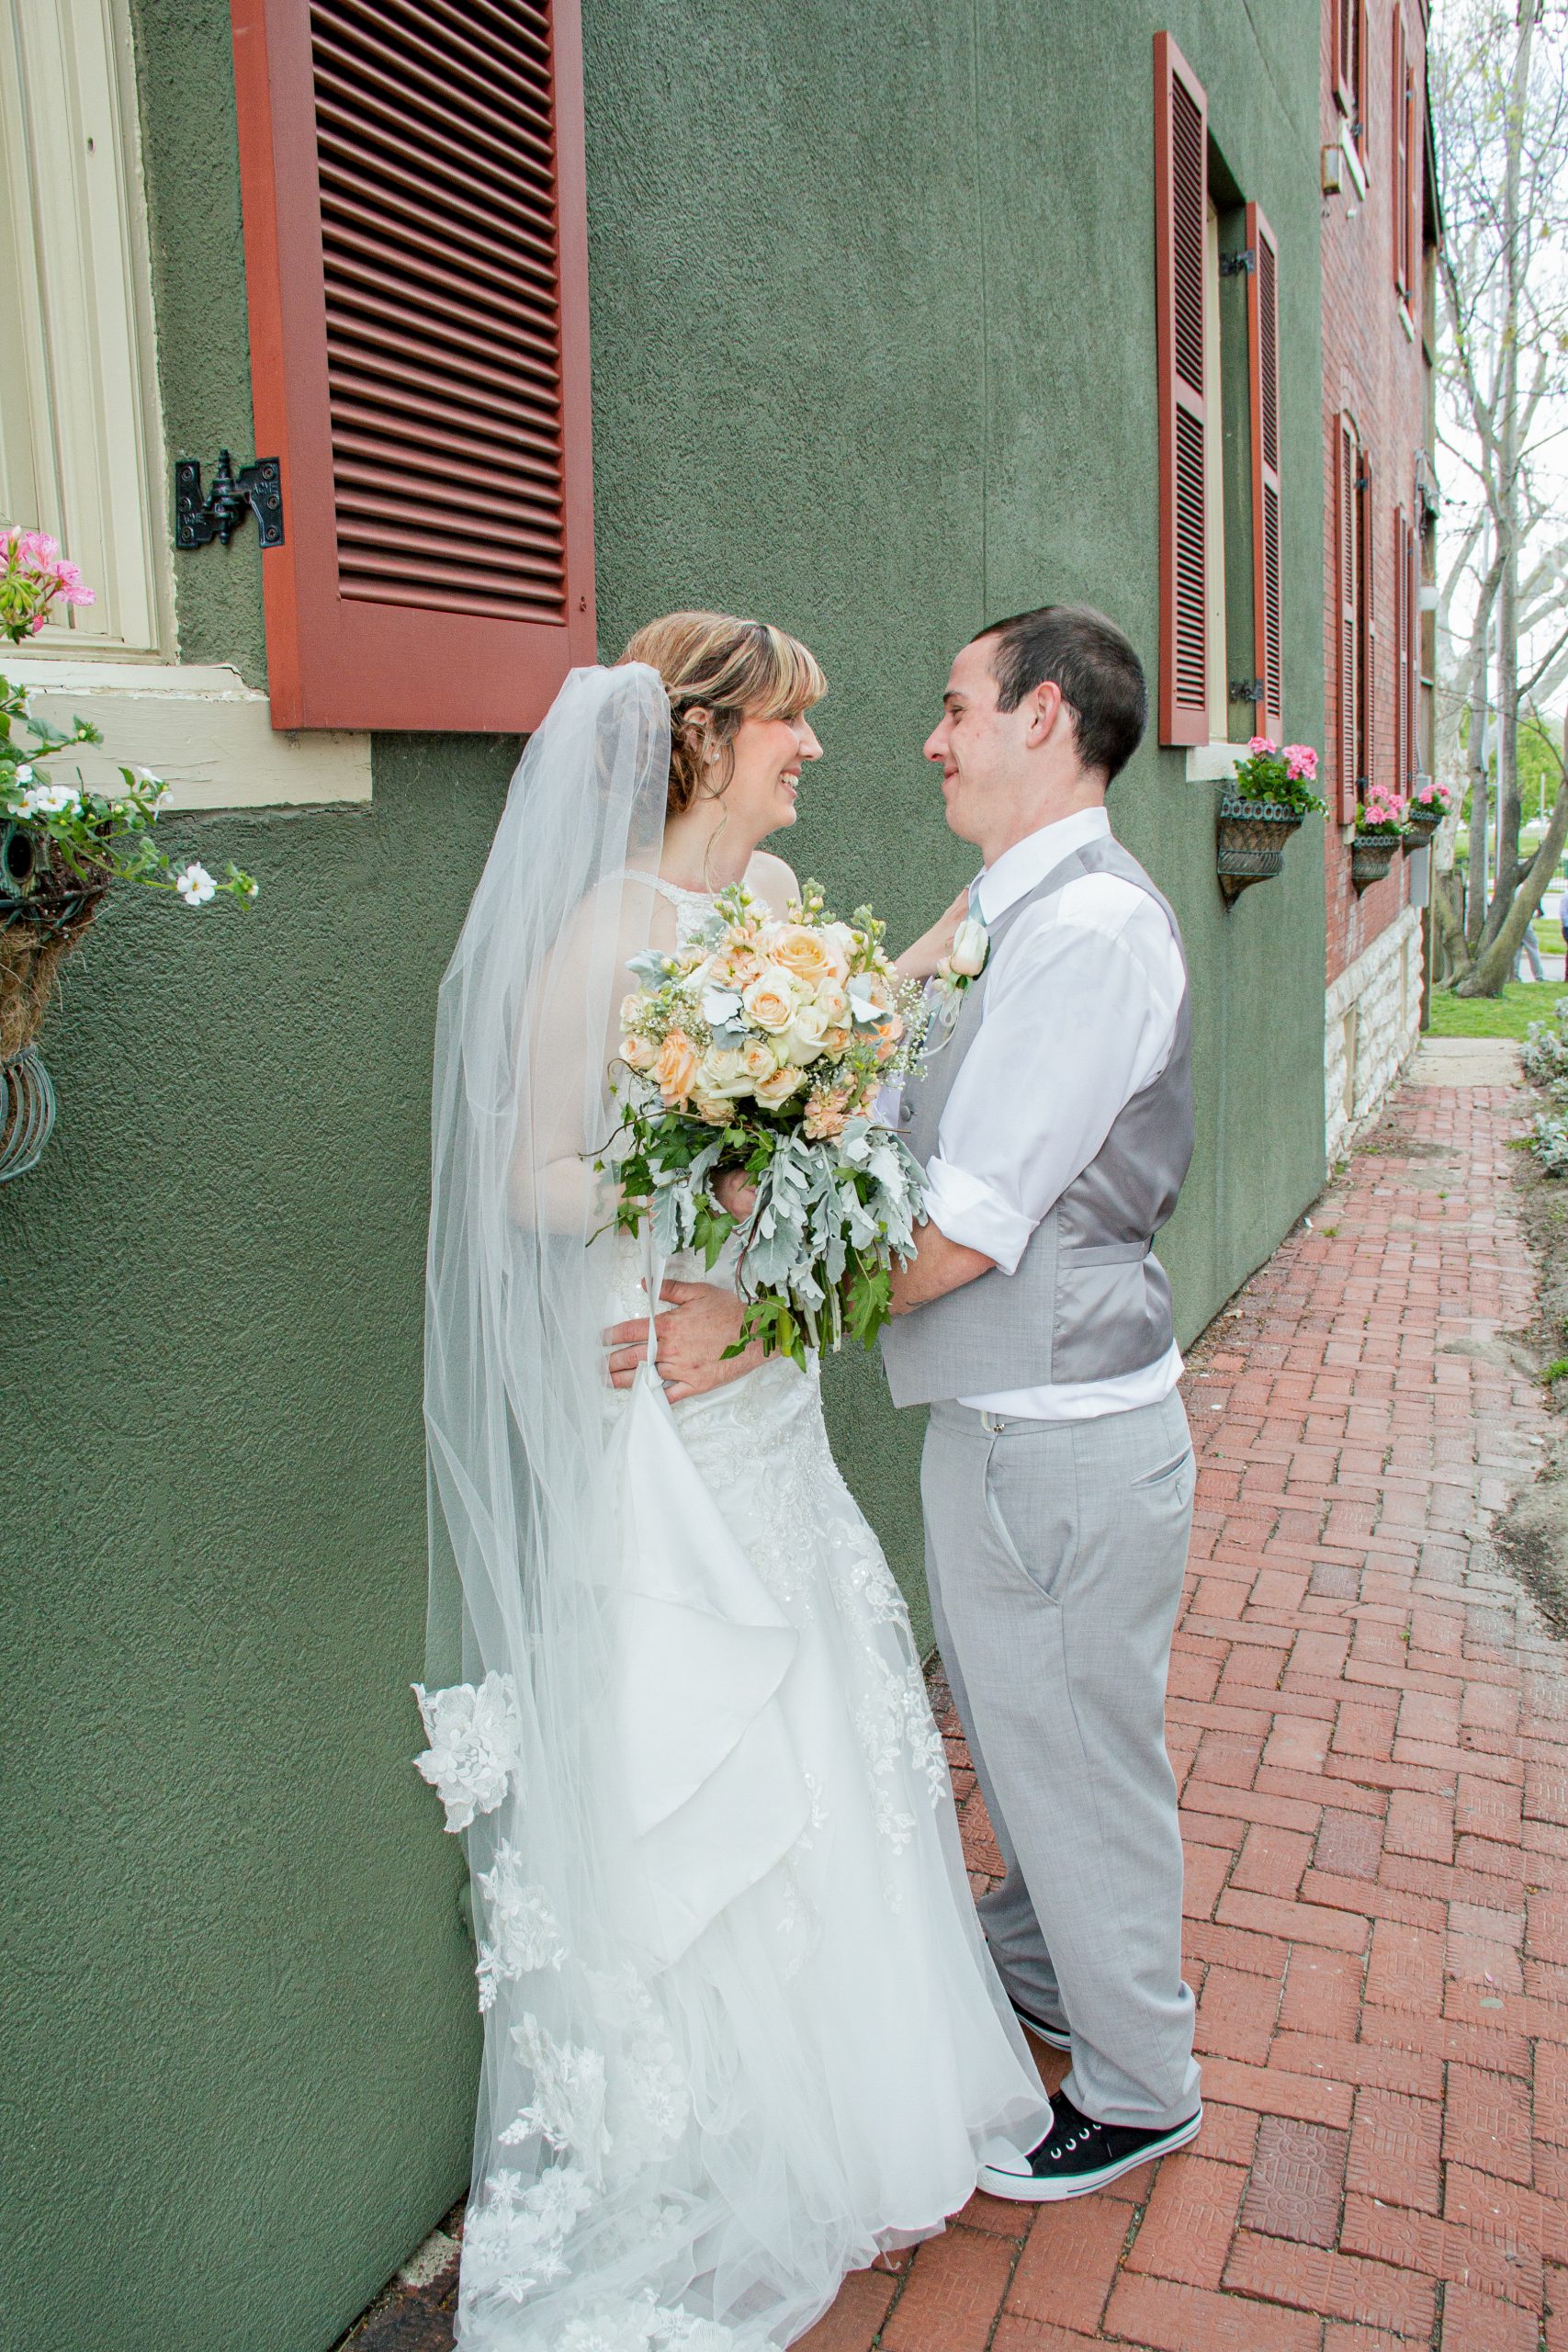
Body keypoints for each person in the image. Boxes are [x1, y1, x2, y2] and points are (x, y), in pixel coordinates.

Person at [422, 612, 1049, 2352]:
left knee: (826, 1698)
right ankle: (715, 2120)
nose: (819, 750)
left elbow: (835, 1063)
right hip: (657, 1385)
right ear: (704, 738)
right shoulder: (596, 943)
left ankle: (857, 2099)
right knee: (707, 1712)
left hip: (751, 1375)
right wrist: (663, 1170)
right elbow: (525, 1178)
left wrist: (937, 954)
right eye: (793, 724)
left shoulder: (769, 920)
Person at [640, 605, 1202, 2203]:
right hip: (1013, 1423)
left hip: (1061, 1435)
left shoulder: (1085, 933)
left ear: (1042, 720)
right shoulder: (1009, 907)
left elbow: (965, 1223)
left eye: (957, 709)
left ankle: (1140, 2081)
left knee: (1078, 1756)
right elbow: (879, 1065)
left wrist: (763, 1316)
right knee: (1029, 1741)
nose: (933, 739)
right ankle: (1045, 1963)